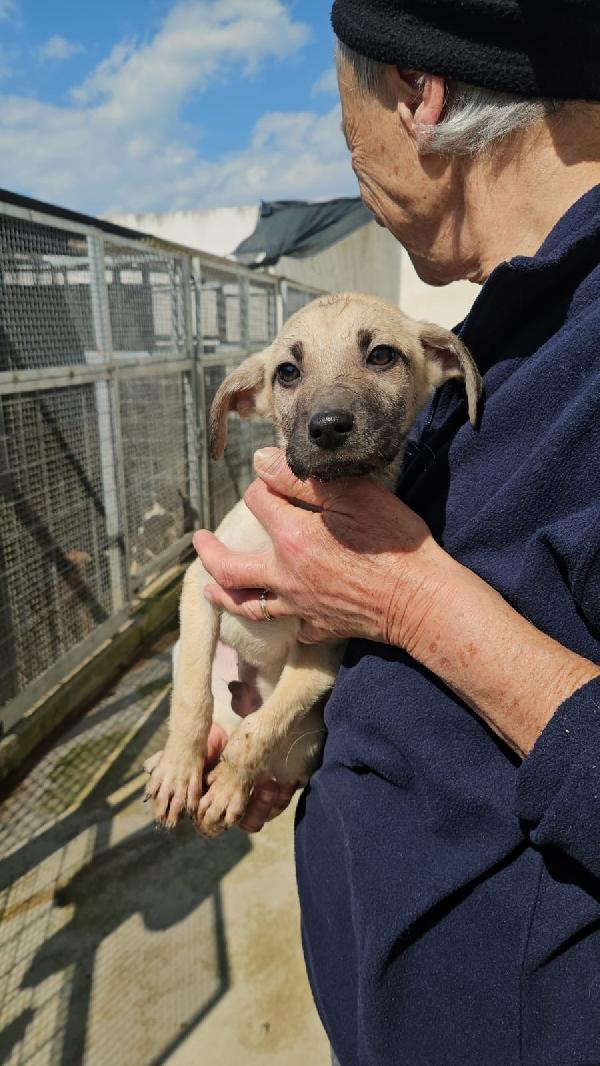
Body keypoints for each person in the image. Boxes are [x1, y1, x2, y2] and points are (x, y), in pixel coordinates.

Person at [193, 2, 600, 1062]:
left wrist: (402, 595)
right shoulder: (501, 339)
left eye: (345, 130)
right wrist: (294, 736)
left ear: (419, 94)